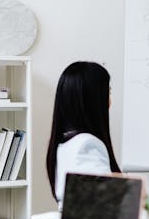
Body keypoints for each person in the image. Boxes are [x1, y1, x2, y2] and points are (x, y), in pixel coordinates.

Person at [46, 61, 121, 210]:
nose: (110, 101)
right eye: (108, 93)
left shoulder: (64, 142)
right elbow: (105, 201)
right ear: (94, 100)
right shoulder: (87, 144)